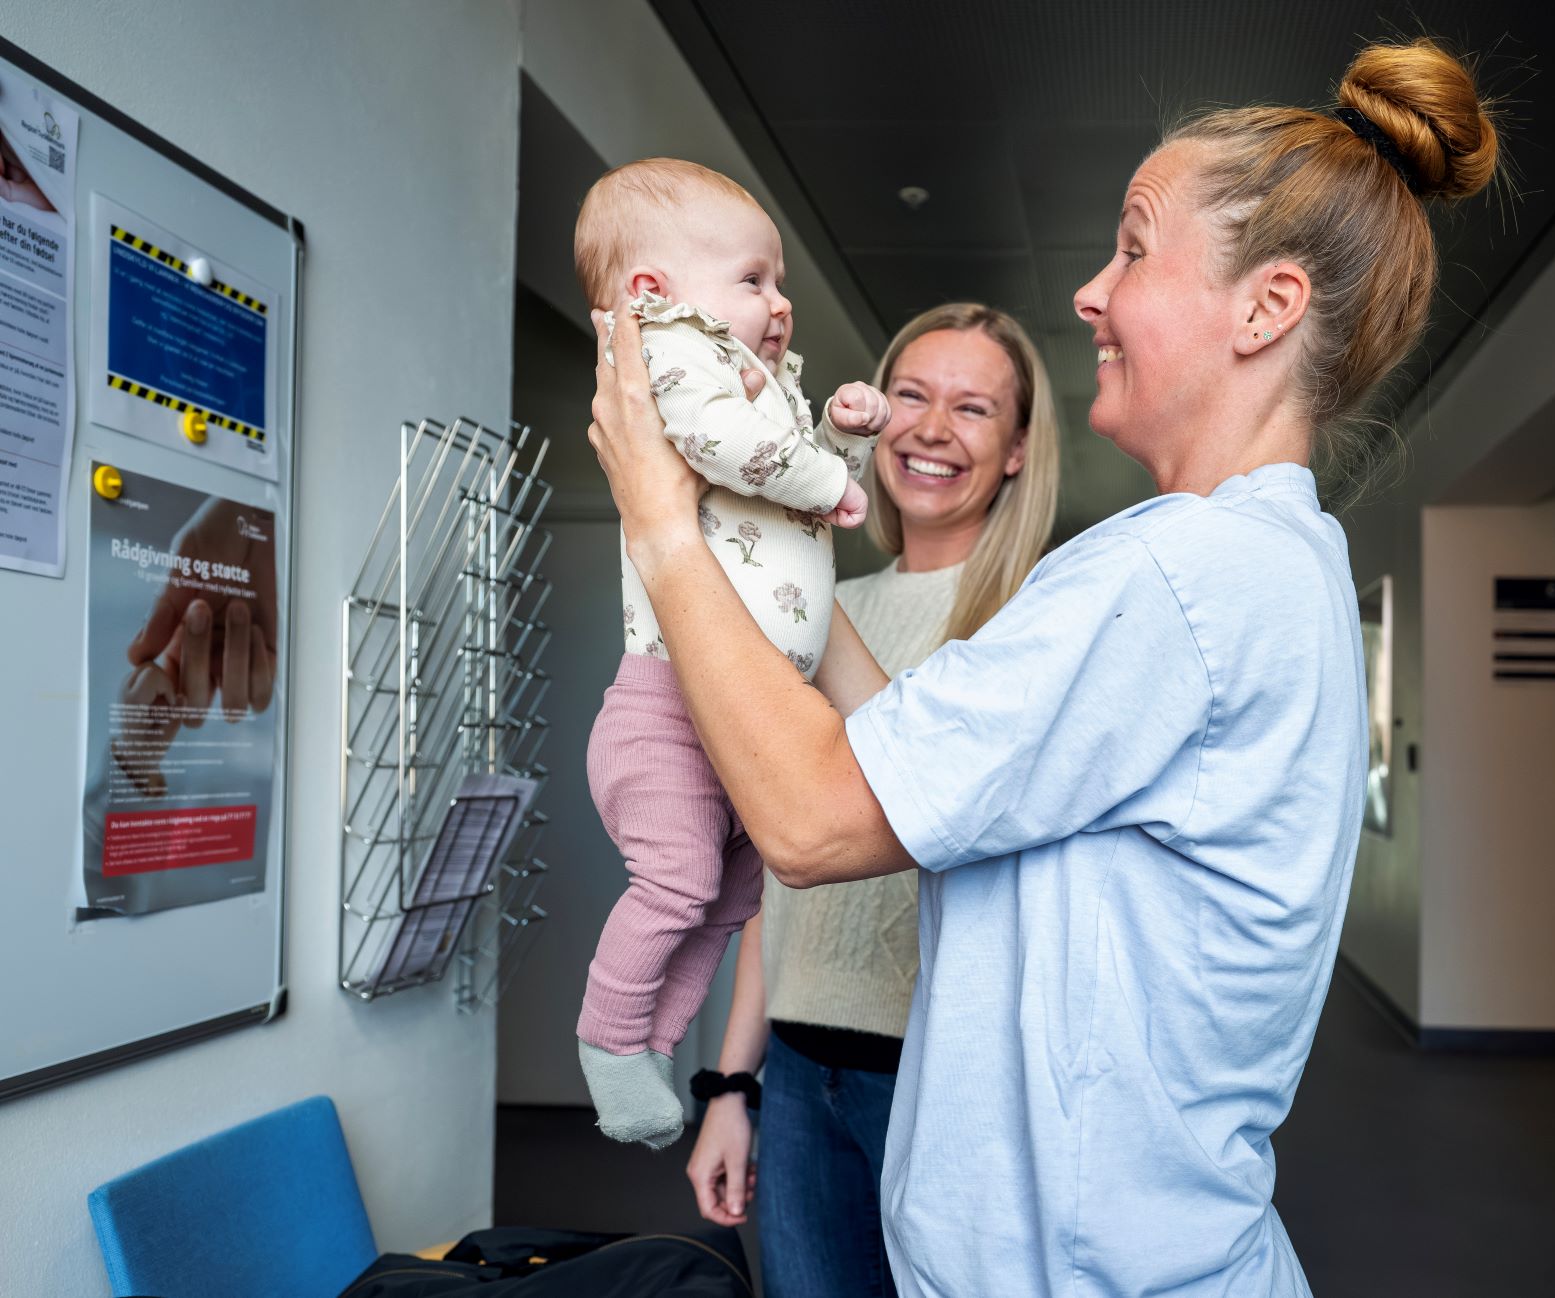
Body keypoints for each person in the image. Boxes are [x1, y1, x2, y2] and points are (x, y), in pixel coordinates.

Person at [589, 36, 1500, 1297]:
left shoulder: (1180, 578)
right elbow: (916, 744)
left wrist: (660, 525)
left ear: (1267, 307)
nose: (1090, 291)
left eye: (1132, 248)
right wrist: (774, 549)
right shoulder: (1244, 565)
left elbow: (806, 820)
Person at [684, 304, 1061, 1297]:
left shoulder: (1038, 616)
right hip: (803, 1077)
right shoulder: (832, 607)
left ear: (1019, 449)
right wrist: (734, 1082)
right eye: (911, 395)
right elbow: (781, 868)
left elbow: (949, 818)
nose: (932, 428)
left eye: (974, 408)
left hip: (951, 1083)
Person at [569, 158, 893, 1147]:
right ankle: (608, 1035)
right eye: (754, 279)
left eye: (779, 280)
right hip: (669, 712)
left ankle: (658, 1042)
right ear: (654, 290)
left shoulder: (750, 379)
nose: (780, 300)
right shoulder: (662, 351)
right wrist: (820, 477)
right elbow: (719, 444)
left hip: (744, 710)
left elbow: (787, 489)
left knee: (732, 894)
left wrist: (838, 443)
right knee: (675, 882)